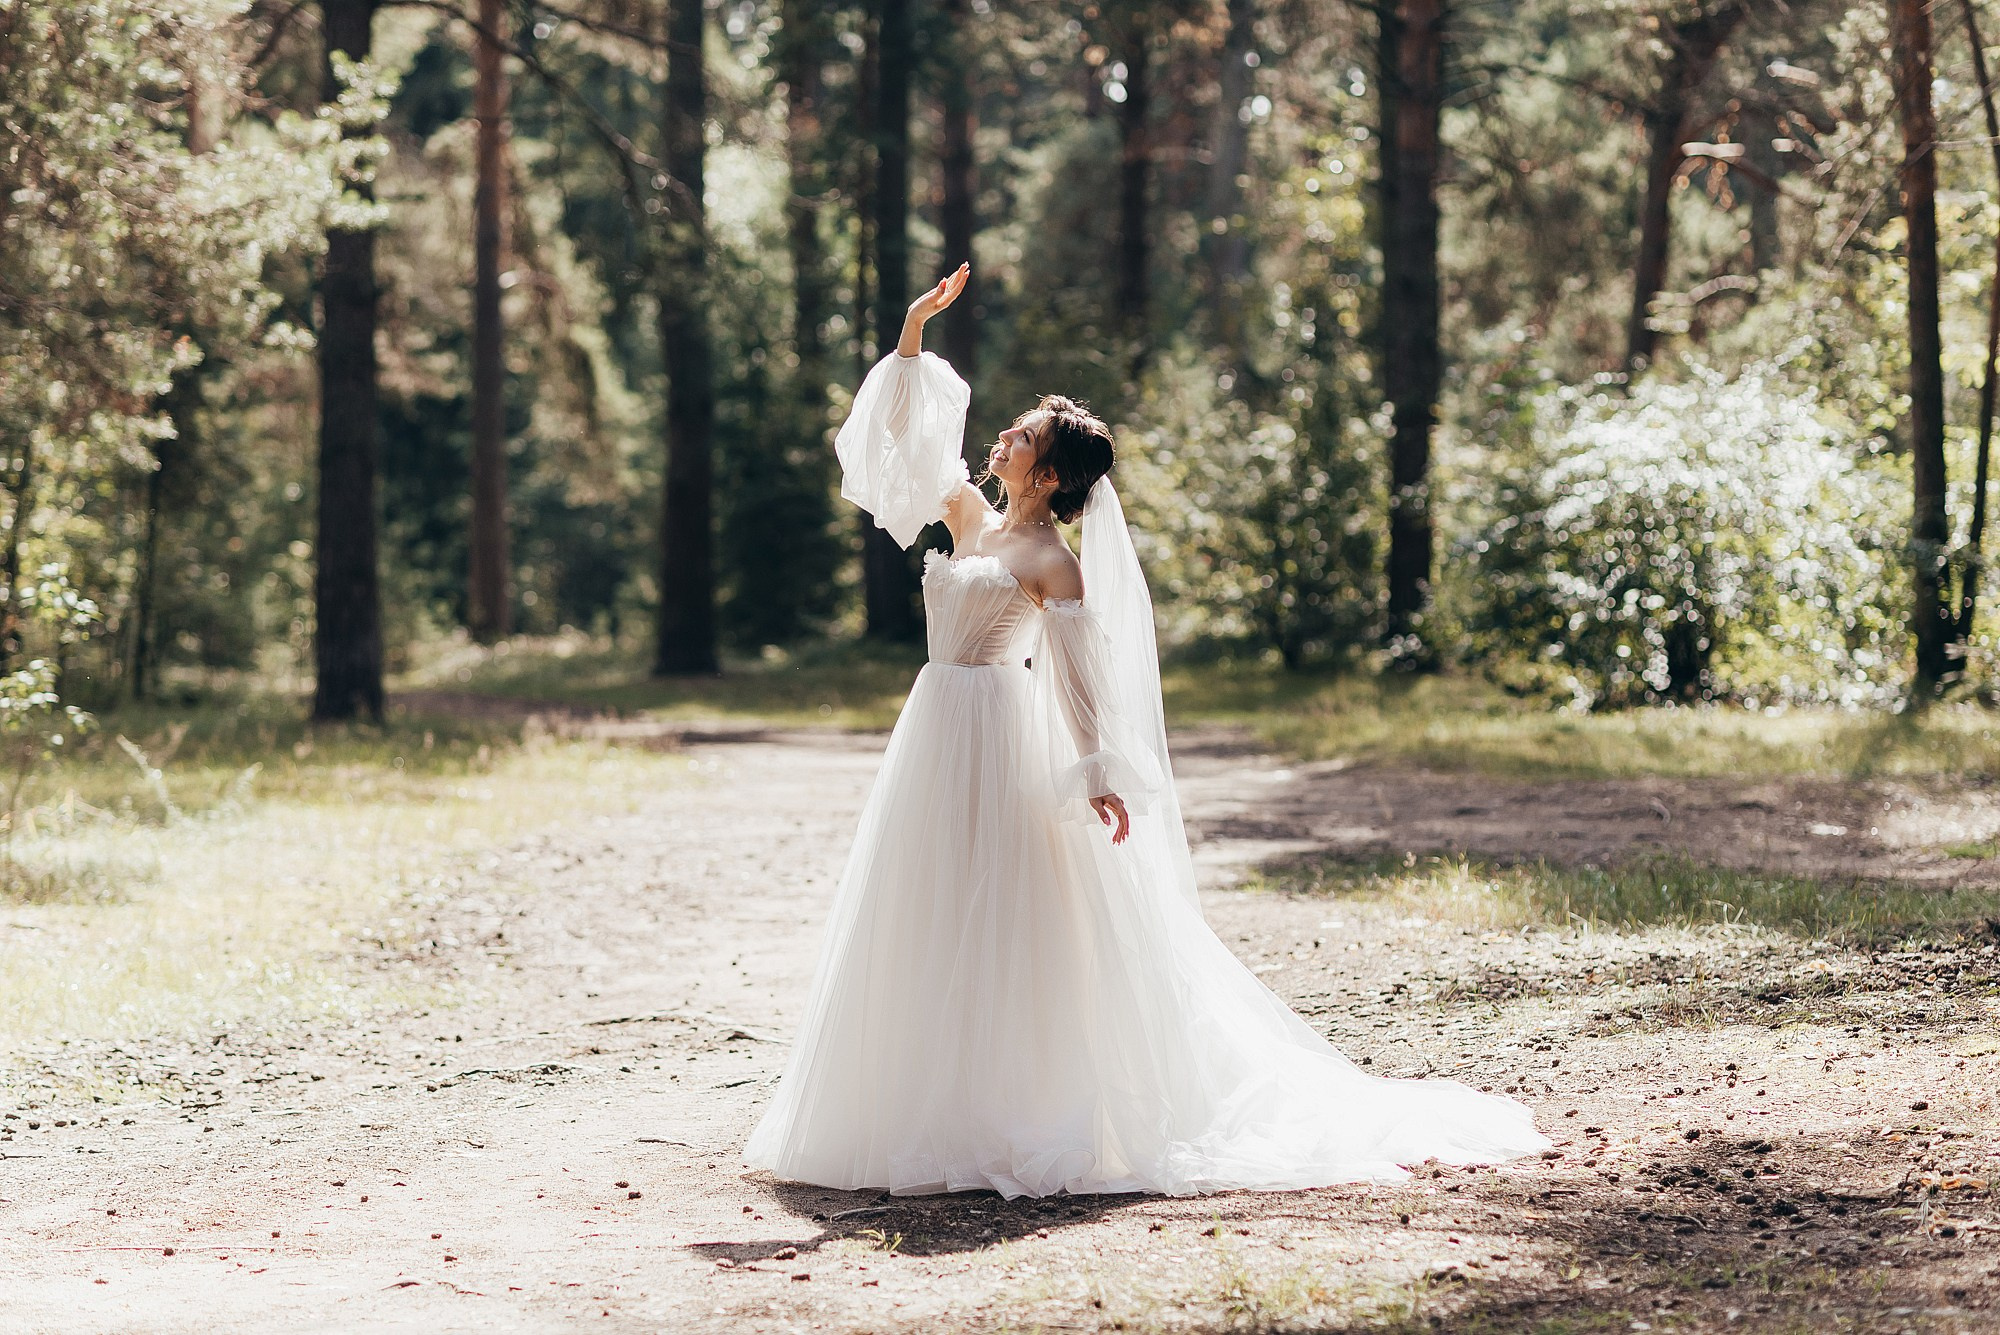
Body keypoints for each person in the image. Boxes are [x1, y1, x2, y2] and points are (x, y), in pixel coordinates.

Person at [743, 263, 1549, 1198]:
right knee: (923, 899)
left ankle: (1009, 1104)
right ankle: (919, 1102)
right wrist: (915, 331)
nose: (1000, 434)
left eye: (1022, 435)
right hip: (935, 725)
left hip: (1002, 733)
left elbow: (1082, 676)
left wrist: (1098, 772)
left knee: (1004, 910)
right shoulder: (967, 514)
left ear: (1047, 474)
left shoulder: (1051, 559)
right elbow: (896, 443)